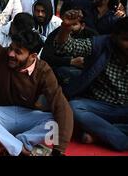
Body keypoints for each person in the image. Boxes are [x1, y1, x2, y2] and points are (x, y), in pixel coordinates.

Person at [0, 4, 73, 156]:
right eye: (11, 48)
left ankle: (16, 142)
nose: (11, 54)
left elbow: (60, 104)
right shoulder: (2, 56)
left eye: (18, 52)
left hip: (27, 115)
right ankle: (19, 149)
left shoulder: (44, 70)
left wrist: (59, 151)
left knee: (57, 119)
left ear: (33, 56)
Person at [54, 11, 128, 151]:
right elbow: (66, 47)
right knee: (74, 107)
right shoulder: (101, 44)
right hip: (97, 106)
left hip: (125, 109)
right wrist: (65, 27)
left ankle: (100, 133)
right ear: (114, 37)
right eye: (126, 40)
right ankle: (121, 140)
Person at [40, 8, 98, 87]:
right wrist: (70, 61)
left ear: (83, 25)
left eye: (74, 24)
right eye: (68, 24)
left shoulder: (92, 36)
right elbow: (45, 57)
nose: (70, 27)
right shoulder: (58, 33)